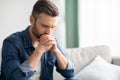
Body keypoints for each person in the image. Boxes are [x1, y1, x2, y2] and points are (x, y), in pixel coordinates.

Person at [0, 0, 75, 80]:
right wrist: (39, 51)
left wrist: (56, 51)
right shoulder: (11, 43)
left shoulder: (51, 41)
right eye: (45, 26)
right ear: (32, 20)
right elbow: (13, 78)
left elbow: (70, 73)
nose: (49, 32)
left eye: (53, 27)